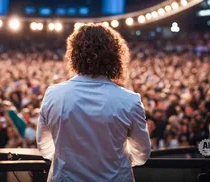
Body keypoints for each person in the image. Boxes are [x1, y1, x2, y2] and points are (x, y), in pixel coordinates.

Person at [37, 24, 151, 182]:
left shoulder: (53, 94)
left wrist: (70, 160)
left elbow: (44, 146)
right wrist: (115, 161)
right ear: (114, 57)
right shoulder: (130, 100)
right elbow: (142, 153)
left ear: (74, 55)